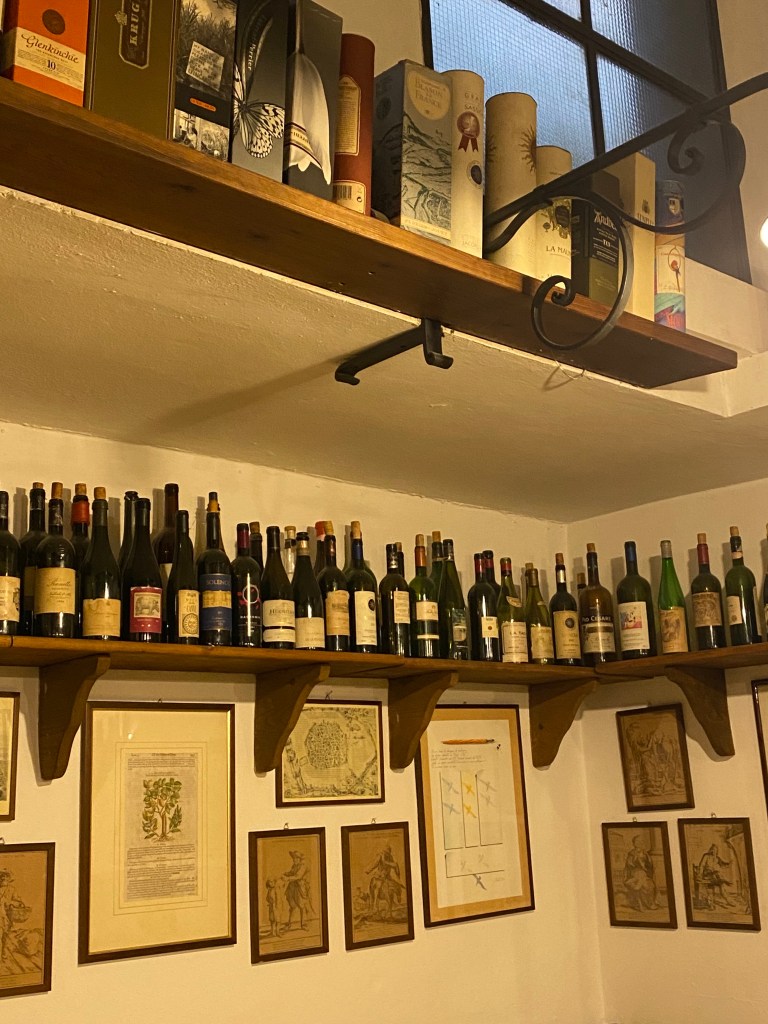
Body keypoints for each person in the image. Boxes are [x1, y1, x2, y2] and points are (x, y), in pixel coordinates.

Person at [623, 835, 657, 911]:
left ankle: (650, 903)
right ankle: (638, 885)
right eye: (637, 841)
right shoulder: (632, 853)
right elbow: (629, 865)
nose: (639, 843)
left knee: (649, 885)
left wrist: (645, 866)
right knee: (641, 874)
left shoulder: (645, 853)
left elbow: (649, 864)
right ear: (634, 843)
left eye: (640, 841)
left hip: (644, 873)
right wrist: (636, 860)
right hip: (634, 872)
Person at [283, 850, 311, 931]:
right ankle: (290, 924)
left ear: (299, 859)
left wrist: (288, 878)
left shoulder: (302, 866)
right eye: (293, 858)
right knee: (292, 906)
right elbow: (291, 873)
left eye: (295, 858)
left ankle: (303, 924)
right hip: (292, 887)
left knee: (301, 906)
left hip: (299, 888)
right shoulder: (294, 866)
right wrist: (285, 874)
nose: (294, 860)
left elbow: (298, 876)